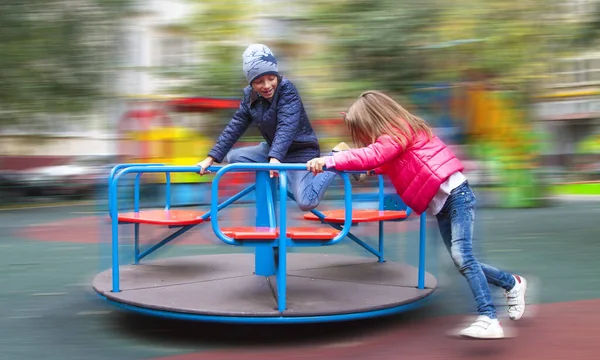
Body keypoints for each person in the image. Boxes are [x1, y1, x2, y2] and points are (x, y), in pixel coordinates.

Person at [306, 90, 529, 339]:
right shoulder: (395, 139)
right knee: (461, 261)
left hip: (457, 195)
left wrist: (331, 161)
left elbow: (376, 154)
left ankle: (488, 317)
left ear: (373, 119)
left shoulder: (398, 129)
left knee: (462, 258)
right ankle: (511, 283)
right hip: (443, 205)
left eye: (363, 129)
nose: (364, 137)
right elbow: (381, 161)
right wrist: (359, 168)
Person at [197, 43, 353, 211]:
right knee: (234, 158)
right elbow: (235, 126)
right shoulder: (250, 97)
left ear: (277, 74)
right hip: (274, 151)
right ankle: (269, 196)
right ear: (250, 83)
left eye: (271, 78)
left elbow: (287, 126)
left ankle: (338, 155)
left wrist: (275, 159)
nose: (266, 85)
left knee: (307, 202)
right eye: (259, 81)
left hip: (300, 152)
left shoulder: (287, 90)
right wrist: (211, 158)